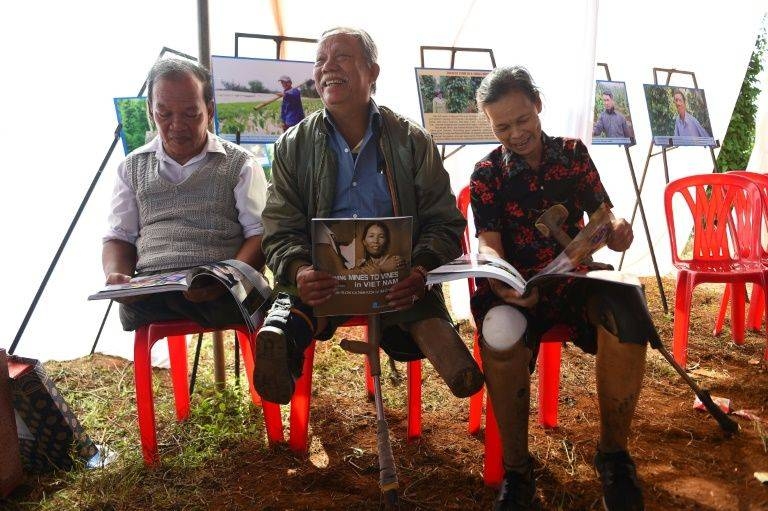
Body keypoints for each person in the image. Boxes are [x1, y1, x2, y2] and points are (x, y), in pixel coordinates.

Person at [254, 27, 483, 406]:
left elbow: (444, 219)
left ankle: (439, 340)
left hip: (397, 275)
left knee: (415, 299)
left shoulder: (411, 140)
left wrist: (420, 269)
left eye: (341, 57)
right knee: (296, 305)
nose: (328, 67)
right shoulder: (292, 146)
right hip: (322, 275)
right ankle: (283, 340)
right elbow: (279, 227)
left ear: (372, 71)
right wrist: (299, 270)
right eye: (320, 60)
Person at [471, 66, 652, 511]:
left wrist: (618, 229)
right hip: (521, 291)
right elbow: (488, 246)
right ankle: (517, 470)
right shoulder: (486, 174)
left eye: (522, 119)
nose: (515, 133)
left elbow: (604, 217)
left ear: (537, 103)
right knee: (499, 332)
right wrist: (503, 278)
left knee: (627, 312)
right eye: (502, 126)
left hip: (575, 283)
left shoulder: (573, 155)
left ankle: (613, 456)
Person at [102, 58, 268, 331]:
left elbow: (259, 235)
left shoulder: (240, 164)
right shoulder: (131, 167)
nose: (177, 125)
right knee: (134, 308)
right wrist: (117, 277)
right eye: (164, 114)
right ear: (150, 112)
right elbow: (119, 237)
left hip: (220, 285)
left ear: (210, 110)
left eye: (191, 113)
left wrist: (225, 279)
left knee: (236, 302)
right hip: (152, 287)